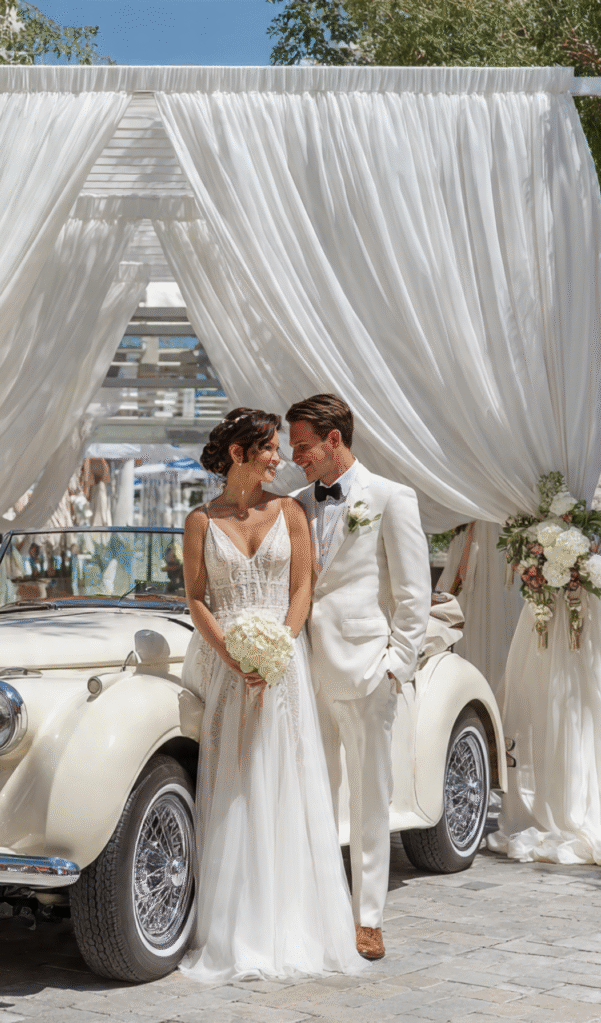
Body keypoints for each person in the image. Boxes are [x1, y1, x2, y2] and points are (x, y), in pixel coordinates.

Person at [179, 408, 363, 983]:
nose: (280, 459)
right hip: (226, 668)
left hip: (283, 668)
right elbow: (196, 598)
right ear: (239, 454)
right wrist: (233, 656)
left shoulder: (291, 512)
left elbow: (302, 585)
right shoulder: (200, 521)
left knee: (285, 782)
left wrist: (278, 647)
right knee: (233, 785)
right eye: (270, 450)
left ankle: (291, 923)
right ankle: (234, 927)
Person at [286, 394, 430, 962]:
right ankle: (319, 907)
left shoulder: (391, 498)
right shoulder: (296, 503)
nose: (297, 457)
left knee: (371, 798)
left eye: (303, 446)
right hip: (304, 669)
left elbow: (414, 594)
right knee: (314, 791)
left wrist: (397, 665)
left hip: (369, 670)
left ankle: (367, 917)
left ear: (334, 439)